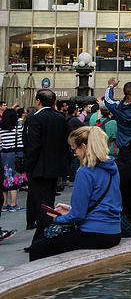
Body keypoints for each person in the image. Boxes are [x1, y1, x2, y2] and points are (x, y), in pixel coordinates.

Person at [29, 127, 122, 261]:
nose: (74, 154)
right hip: (115, 232)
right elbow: (105, 203)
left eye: (74, 149)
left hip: (94, 234)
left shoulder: (85, 172)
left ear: (83, 147)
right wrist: (71, 210)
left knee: (37, 248)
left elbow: (78, 216)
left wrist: (57, 218)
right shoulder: (113, 167)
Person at [24, 89, 71, 241]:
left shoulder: (34, 118)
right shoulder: (60, 118)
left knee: (41, 204)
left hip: (39, 168)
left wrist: (28, 167)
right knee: (48, 202)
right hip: (56, 167)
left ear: (38, 101)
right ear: (54, 102)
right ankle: (40, 238)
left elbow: (33, 146)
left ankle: (47, 237)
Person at [0, 108, 26, 213]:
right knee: (14, 179)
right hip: (15, 155)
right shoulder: (19, 128)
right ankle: (13, 204)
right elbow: (23, 141)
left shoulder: (1, 128)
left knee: (4, 179)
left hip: (3, 155)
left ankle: (4, 204)